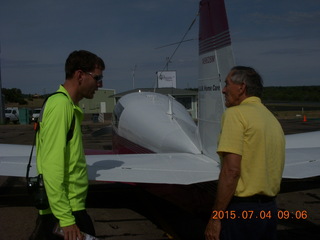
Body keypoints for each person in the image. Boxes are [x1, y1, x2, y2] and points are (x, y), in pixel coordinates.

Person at [30, 50, 105, 240]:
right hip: (67, 212)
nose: (100, 84)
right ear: (80, 75)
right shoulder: (61, 106)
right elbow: (52, 166)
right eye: (97, 78)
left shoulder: (67, 105)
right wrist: (66, 219)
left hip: (67, 209)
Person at [205, 66, 285, 240]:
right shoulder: (271, 119)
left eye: (227, 84)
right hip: (269, 210)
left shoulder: (235, 114)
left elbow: (231, 171)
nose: (224, 89)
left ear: (241, 87)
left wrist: (216, 217)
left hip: (242, 212)